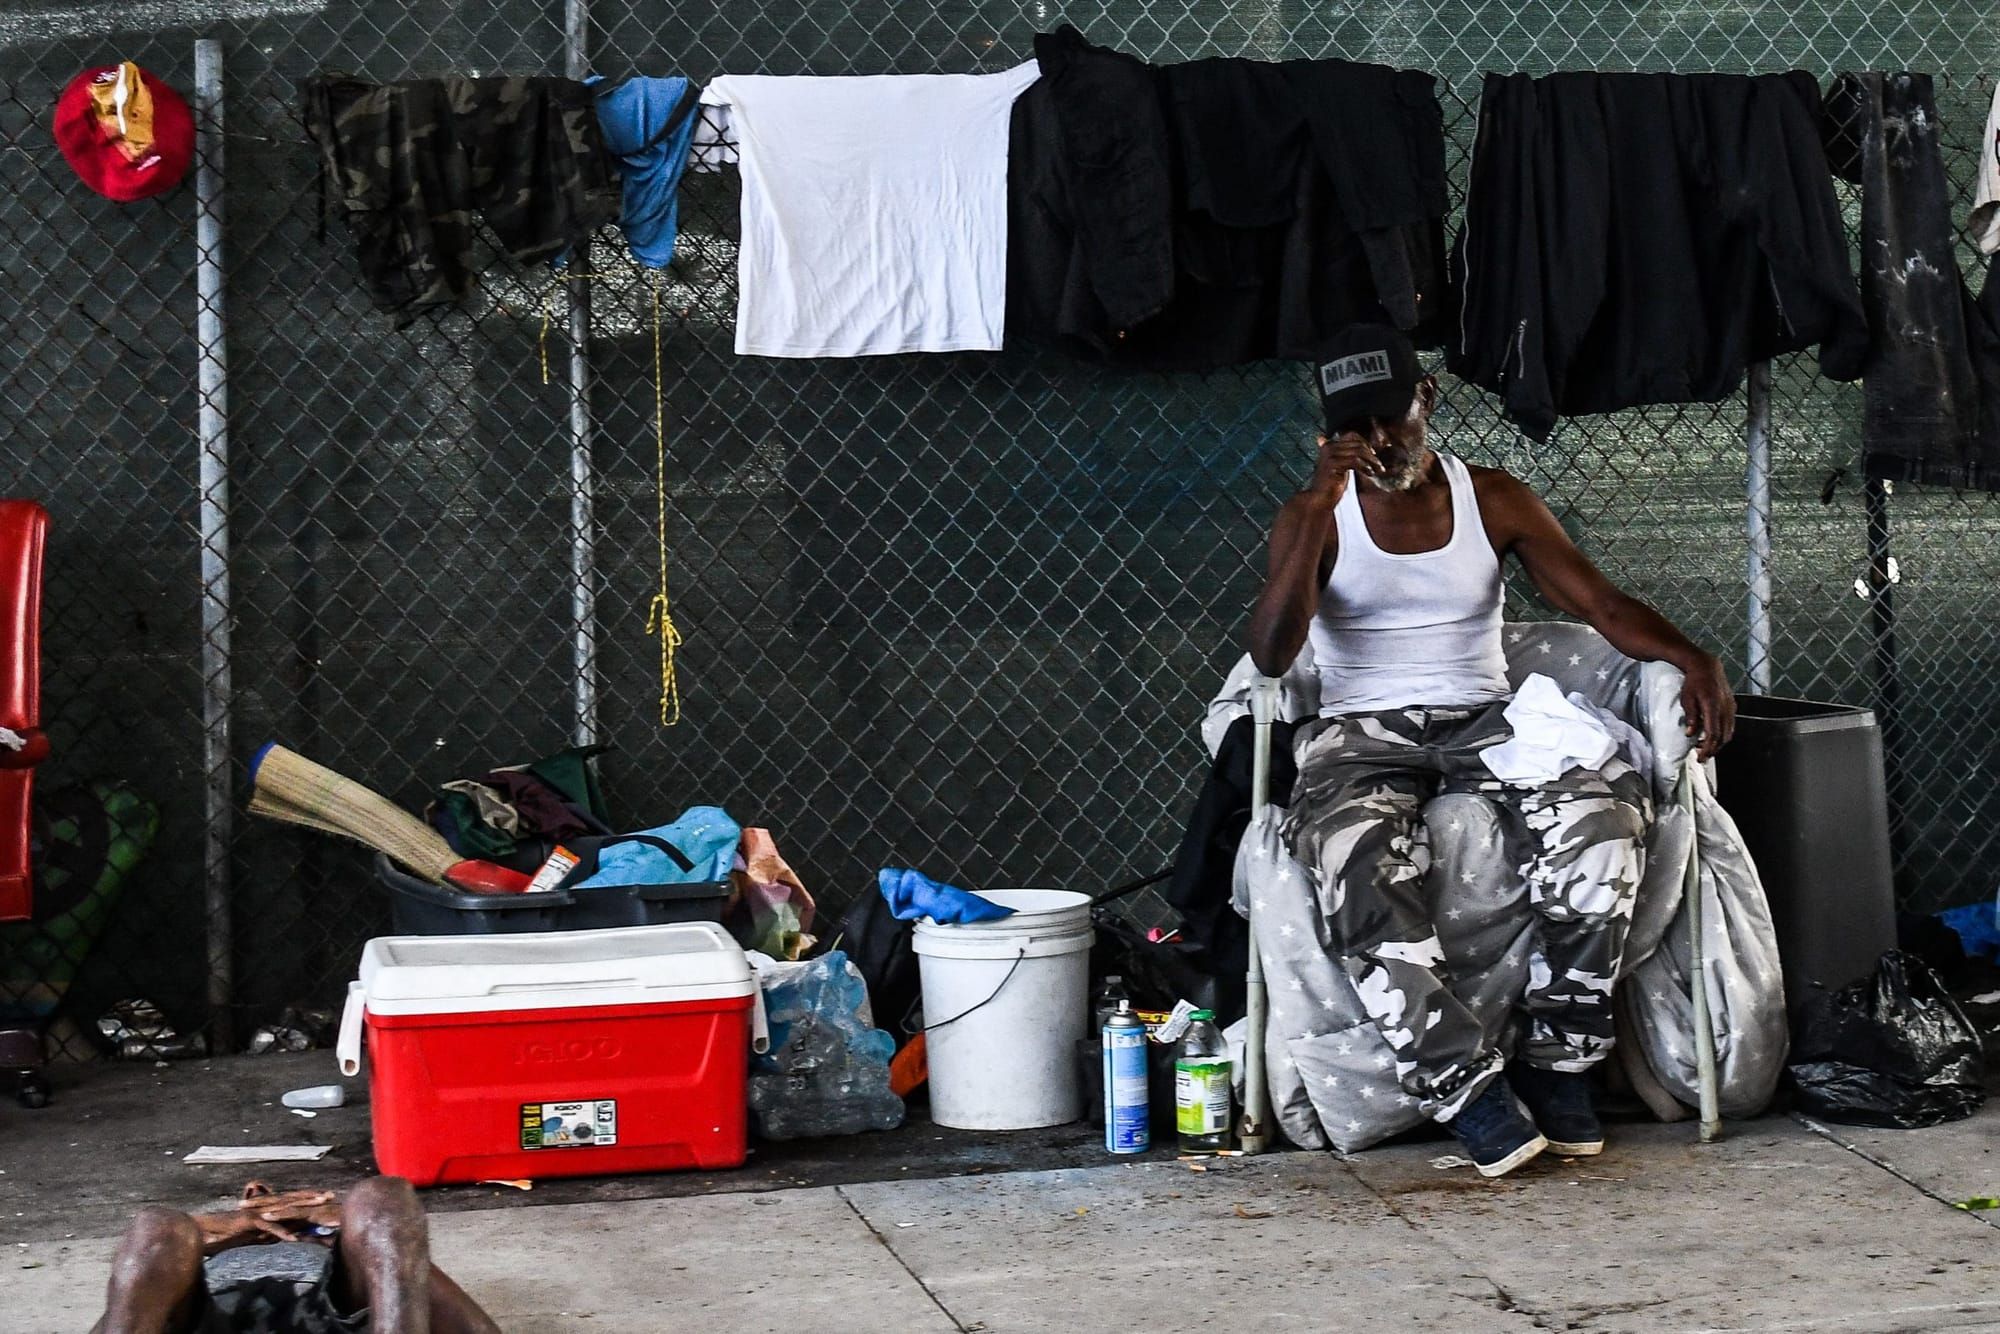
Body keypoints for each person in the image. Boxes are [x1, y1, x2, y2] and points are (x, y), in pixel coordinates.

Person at [1246, 324, 1736, 1178]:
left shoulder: (1494, 497)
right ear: (1329, 434)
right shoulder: (1314, 511)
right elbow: (1275, 654)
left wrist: (1695, 657)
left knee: (1604, 821)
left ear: (1427, 400)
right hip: (1363, 732)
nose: (1380, 443)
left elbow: (1601, 604)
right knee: (1351, 856)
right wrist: (1315, 511)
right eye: (1356, 428)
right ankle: (1465, 1089)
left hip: (1483, 718)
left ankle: (1562, 1062)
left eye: (1392, 419)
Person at [91, 1178, 500, 1334]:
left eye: (300, 1200)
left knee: (383, 1197)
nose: (279, 1205)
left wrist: (346, 1225)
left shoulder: (353, 1245)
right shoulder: (191, 1247)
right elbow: (125, 1310)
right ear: (249, 1196)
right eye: (266, 1197)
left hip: (341, 1315)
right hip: (210, 1316)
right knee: (156, 1227)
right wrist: (215, 1234)